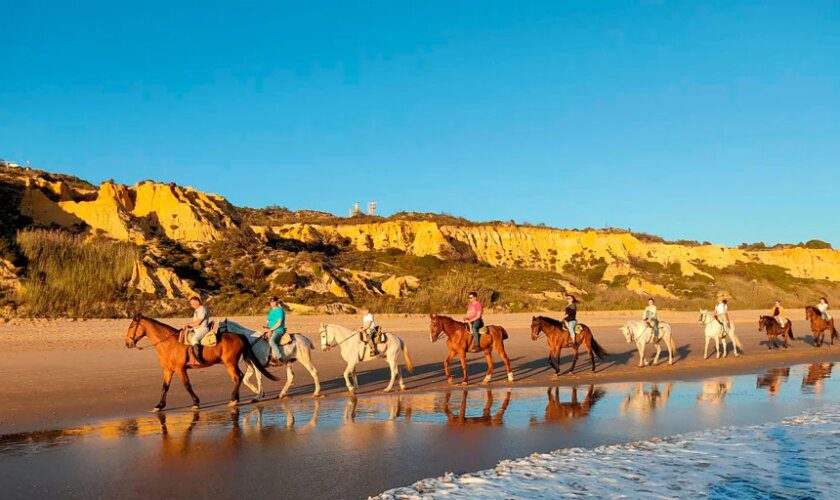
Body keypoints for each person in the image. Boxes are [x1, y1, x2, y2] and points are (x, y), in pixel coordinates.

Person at [184, 296, 210, 365]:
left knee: (194, 340)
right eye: (191, 304)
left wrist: (189, 324)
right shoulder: (197, 310)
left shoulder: (202, 309)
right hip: (196, 329)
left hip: (202, 329)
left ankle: (198, 359)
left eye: (193, 304)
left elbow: (198, 322)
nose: (192, 306)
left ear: (197, 302)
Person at [262, 296, 287, 364]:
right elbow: (267, 322)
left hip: (278, 330)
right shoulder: (271, 311)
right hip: (270, 330)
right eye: (271, 302)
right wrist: (267, 328)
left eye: (273, 301)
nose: (272, 303)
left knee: (271, 342)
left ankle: (279, 358)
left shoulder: (280, 310)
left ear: (277, 302)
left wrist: (271, 330)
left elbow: (279, 323)